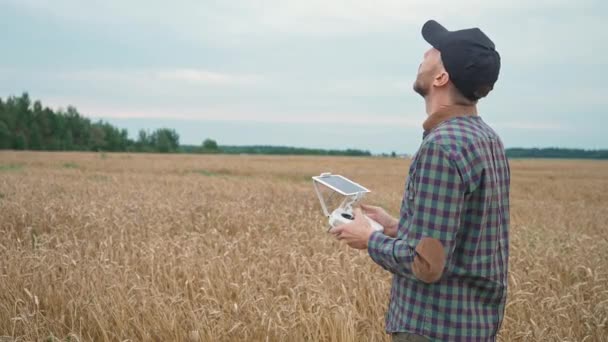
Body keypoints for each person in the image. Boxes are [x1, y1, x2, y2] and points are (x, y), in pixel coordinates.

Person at [329, 19, 510, 342]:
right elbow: (461, 237)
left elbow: (427, 265)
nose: (425, 52)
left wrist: (368, 238)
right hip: (474, 327)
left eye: (434, 50)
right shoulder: (487, 138)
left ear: (441, 77)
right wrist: (396, 228)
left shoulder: (442, 146)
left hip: (433, 328)